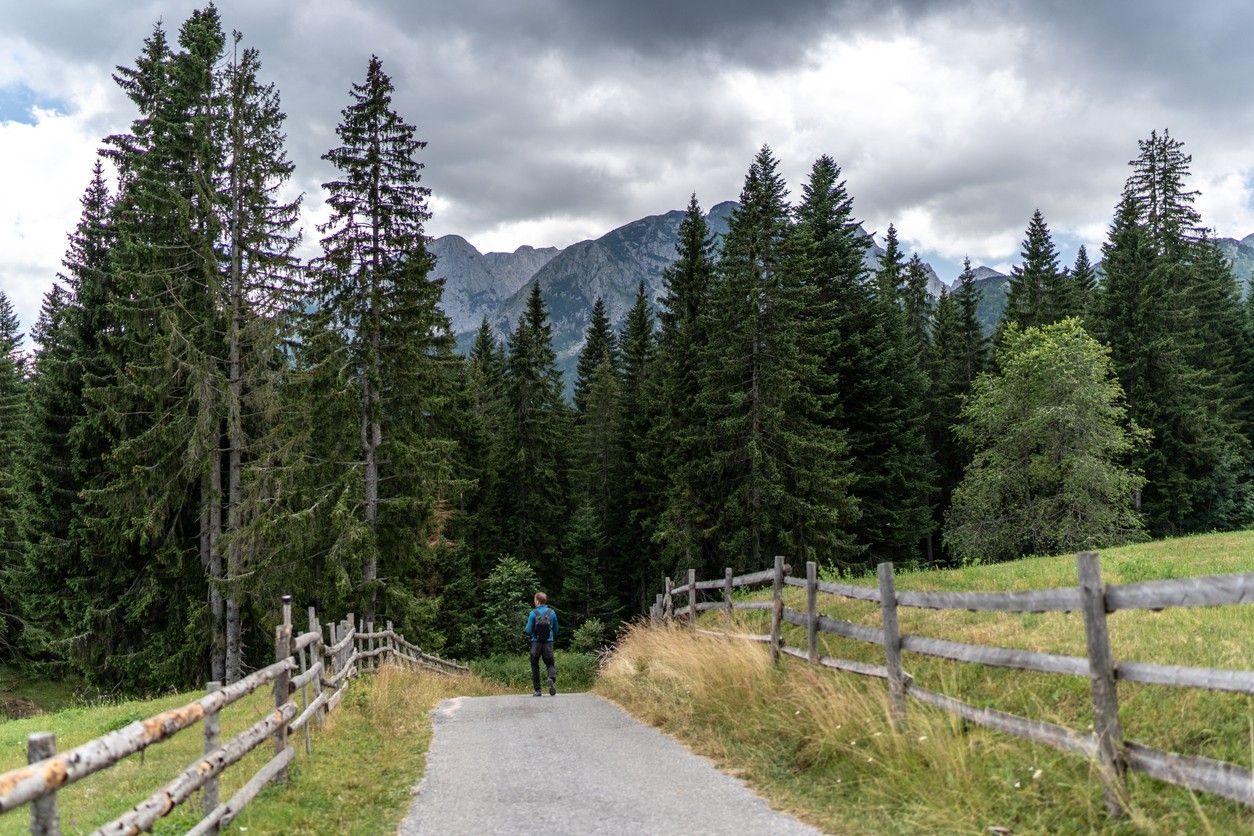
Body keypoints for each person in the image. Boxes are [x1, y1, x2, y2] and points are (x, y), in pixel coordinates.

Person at [525, 592, 559, 697]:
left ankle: (538, 690)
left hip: (536, 642)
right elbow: (556, 629)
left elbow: (529, 630)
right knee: (550, 663)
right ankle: (551, 678)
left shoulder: (533, 613)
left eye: (535, 599)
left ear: (537, 601)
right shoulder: (552, 613)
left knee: (535, 665)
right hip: (548, 642)